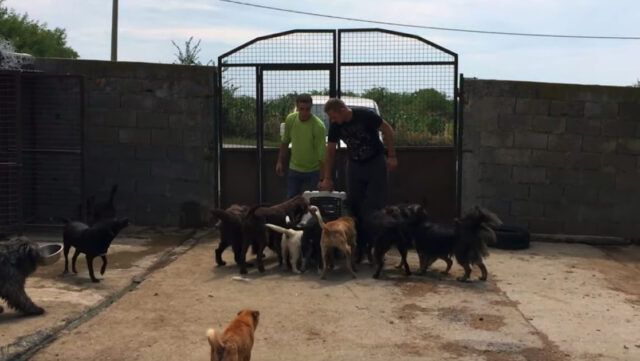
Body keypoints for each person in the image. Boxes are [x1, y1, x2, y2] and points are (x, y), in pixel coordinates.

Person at [318, 98, 397, 261]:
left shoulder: (365, 116)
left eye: (333, 117)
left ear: (342, 110)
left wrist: (392, 155)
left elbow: (387, 130)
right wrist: (327, 177)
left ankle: (375, 248)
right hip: (355, 165)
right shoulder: (336, 126)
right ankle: (357, 247)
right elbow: (330, 151)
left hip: (375, 162)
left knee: (373, 206)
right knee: (353, 205)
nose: (332, 121)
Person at [276, 94, 326, 199]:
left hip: (313, 171)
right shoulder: (290, 119)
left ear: (311, 108)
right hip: (294, 169)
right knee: (291, 201)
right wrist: (280, 161)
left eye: (307, 109)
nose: (304, 112)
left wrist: (322, 179)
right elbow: (285, 142)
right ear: (297, 107)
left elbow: (322, 156)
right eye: (301, 109)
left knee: (312, 202)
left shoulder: (318, 126)